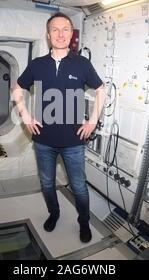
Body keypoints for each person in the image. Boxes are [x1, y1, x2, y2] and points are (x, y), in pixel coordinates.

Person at [12, 12, 105, 243]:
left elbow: (101, 89)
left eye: (65, 29)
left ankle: (83, 222)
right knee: (46, 183)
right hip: (43, 140)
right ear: (48, 34)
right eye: (55, 29)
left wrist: (92, 120)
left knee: (79, 187)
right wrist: (25, 115)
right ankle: (54, 213)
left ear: (71, 34)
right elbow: (17, 88)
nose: (61, 34)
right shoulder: (37, 65)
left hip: (74, 141)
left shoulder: (82, 63)